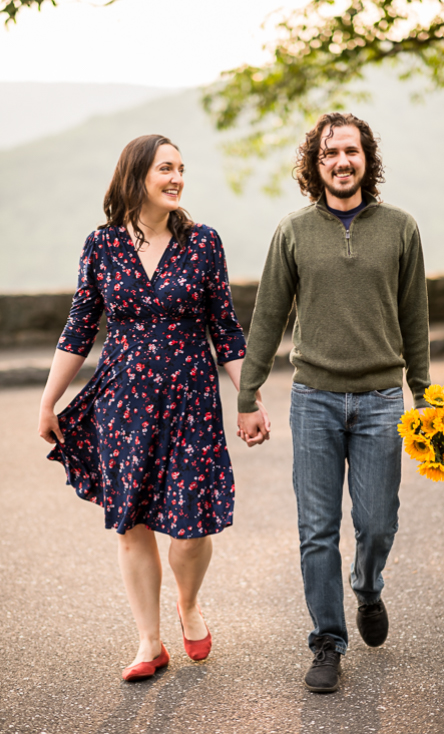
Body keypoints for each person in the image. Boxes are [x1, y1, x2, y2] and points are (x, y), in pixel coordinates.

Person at [38, 134, 266, 682]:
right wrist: (50, 402)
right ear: (136, 174)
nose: (176, 178)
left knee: (189, 530)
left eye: (181, 169)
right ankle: (148, 641)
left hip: (191, 401)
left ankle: (188, 603)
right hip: (122, 402)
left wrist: (249, 397)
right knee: (132, 523)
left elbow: (226, 329)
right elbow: (78, 330)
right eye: (166, 168)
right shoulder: (101, 246)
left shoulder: (203, 243)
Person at [237, 112, 430, 694]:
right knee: (316, 529)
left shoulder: (401, 229)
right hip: (313, 400)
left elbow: (414, 320)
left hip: (380, 402)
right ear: (315, 164)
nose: (341, 161)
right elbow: (267, 317)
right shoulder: (293, 232)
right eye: (329, 154)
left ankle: (367, 588)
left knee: (376, 523)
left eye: (350, 151)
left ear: (366, 159)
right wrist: (248, 394)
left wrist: (427, 397)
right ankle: (327, 641)